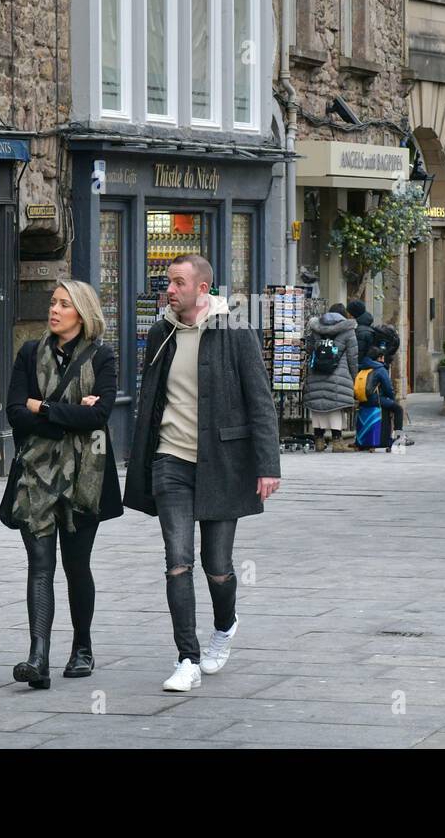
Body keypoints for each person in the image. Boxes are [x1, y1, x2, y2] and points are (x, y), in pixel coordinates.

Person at [124, 254, 281, 693]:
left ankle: (225, 625)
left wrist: (268, 466)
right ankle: (186, 658)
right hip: (170, 460)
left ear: (203, 288)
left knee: (217, 567)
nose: (169, 290)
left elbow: (261, 402)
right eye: (168, 283)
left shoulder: (234, 332)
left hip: (222, 463)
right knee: (177, 562)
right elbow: (152, 401)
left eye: (178, 283)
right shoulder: (161, 332)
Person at [0, 280, 123, 689]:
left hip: (86, 478)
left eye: (64, 304)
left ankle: (82, 647)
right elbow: (15, 412)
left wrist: (46, 407)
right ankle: (38, 657)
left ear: (82, 313)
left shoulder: (102, 356)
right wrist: (68, 414)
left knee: (75, 566)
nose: (54, 310)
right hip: (34, 476)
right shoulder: (29, 353)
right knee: (40, 566)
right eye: (53, 302)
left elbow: (100, 415)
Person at [304, 304, 359, 451]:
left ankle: (319, 441)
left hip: (316, 373)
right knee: (335, 409)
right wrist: (355, 378)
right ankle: (337, 442)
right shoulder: (348, 331)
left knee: (317, 408)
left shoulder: (315, 329)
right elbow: (352, 358)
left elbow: (309, 350)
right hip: (338, 375)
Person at [355, 345, 405, 451]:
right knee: (398, 409)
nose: (383, 360)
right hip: (376, 400)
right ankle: (398, 438)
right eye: (382, 357)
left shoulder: (362, 366)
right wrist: (391, 399)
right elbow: (388, 388)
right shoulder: (380, 369)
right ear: (378, 358)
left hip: (363, 401)